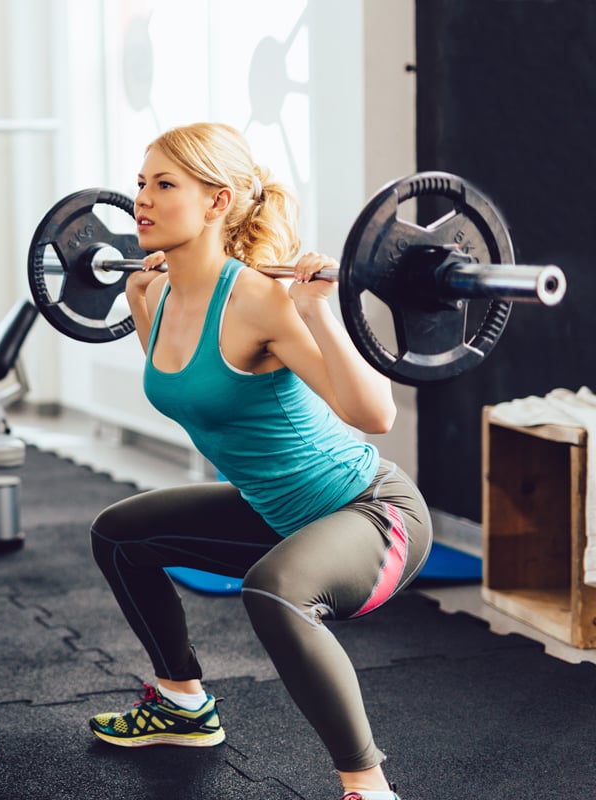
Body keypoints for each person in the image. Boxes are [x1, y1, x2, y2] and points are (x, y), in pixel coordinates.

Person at [85, 122, 430, 800]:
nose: (141, 201)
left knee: (273, 589)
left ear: (218, 202)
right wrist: (134, 300)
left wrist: (322, 315)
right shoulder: (152, 294)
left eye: (164, 185)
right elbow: (185, 389)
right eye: (140, 184)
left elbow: (376, 417)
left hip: (371, 513)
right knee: (119, 537)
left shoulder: (259, 301)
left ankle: (368, 787)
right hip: (278, 514)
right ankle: (182, 705)